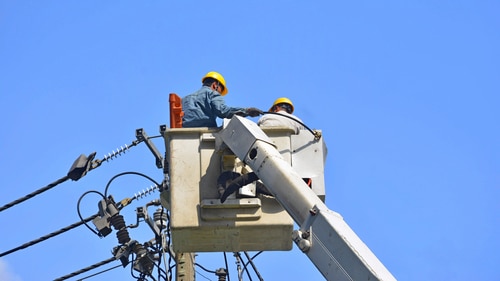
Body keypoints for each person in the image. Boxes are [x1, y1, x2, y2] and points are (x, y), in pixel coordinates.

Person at [182, 71, 263, 128]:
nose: (220, 94)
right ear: (215, 85)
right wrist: (247, 111)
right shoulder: (212, 93)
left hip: (182, 136)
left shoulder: (185, 99)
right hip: (206, 136)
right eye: (220, 91)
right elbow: (222, 111)